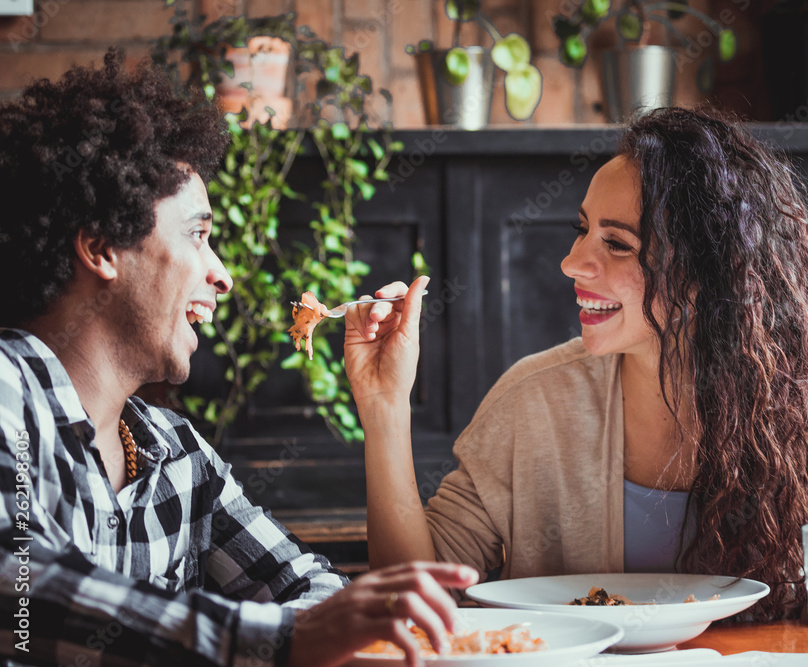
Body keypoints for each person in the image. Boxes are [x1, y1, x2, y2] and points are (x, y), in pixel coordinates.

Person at [0, 49, 476, 667]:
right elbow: (20, 588)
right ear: (102, 248)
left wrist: (355, 621)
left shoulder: (175, 453)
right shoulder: (10, 394)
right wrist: (283, 639)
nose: (222, 275)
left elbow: (306, 591)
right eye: (198, 235)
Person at [343, 107, 808, 623]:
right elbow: (411, 596)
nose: (572, 262)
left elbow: (798, 588)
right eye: (582, 230)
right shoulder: (533, 398)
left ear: (710, 273)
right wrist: (385, 408)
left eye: (618, 244)